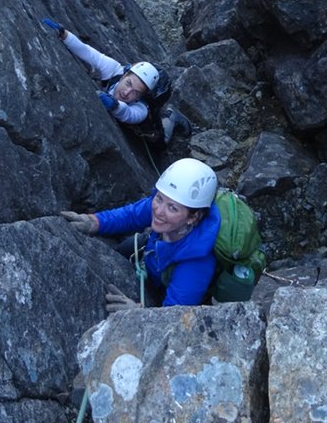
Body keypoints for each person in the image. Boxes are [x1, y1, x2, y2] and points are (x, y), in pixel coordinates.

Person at [61, 158, 219, 309]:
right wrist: (95, 222)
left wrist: (136, 314)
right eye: (159, 198)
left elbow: (175, 314)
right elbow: (131, 215)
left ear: (193, 217)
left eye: (172, 208)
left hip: (164, 288)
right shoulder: (166, 206)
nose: (158, 211)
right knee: (125, 248)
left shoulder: (196, 264)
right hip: (153, 258)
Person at [42, 18, 190, 143]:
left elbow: (129, 114)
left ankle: (171, 115)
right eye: (128, 83)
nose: (126, 93)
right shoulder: (115, 70)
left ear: (140, 97)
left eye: (135, 92)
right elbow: (88, 52)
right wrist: (63, 34)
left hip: (147, 132)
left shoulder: (142, 109)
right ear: (124, 75)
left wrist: (114, 105)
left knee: (160, 143)